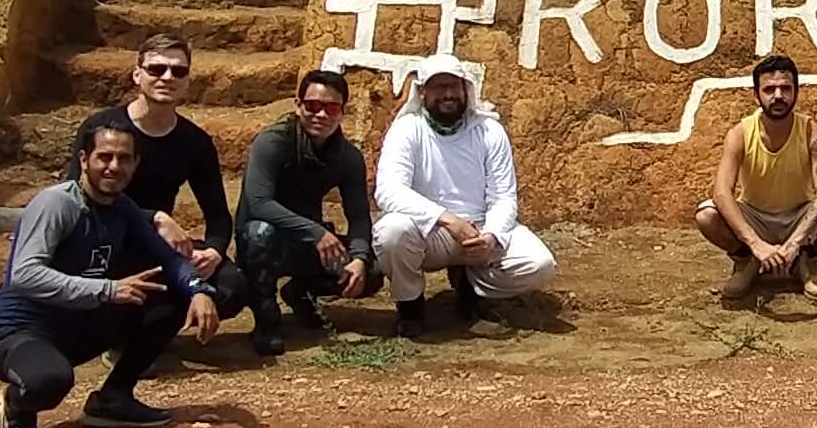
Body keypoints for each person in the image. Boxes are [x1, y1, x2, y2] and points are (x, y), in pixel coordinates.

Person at [0, 118, 221, 428]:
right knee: (49, 381)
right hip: (23, 330)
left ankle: (113, 399)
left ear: (136, 164)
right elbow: (24, 275)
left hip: (79, 324)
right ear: (84, 160)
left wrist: (199, 290)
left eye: (124, 159)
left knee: (169, 295)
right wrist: (108, 290)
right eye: (104, 157)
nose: (114, 167)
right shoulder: (57, 204)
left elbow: (167, 260)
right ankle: (17, 407)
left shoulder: (122, 208)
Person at [67, 31, 250, 331]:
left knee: (233, 286)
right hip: (103, 240)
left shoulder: (195, 142)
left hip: (154, 247)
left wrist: (214, 252)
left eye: (178, 71)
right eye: (156, 69)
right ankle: (124, 330)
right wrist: (153, 218)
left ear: (188, 81)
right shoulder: (102, 128)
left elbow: (218, 216)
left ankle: (148, 328)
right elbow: (76, 199)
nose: (167, 77)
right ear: (137, 75)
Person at [372, 56, 556, 336]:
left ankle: (470, 284)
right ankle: (410, 306)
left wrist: (491, 235)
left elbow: (504, 196)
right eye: (438, 87)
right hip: (431, 233)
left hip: (479, 232)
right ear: (422, 92)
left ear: (465, 89)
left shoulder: (489, 131)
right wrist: (446, 219)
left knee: (539, 265)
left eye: (453, 86)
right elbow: (388, 190)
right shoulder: (407, 130)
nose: (447, 94)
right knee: (391, 232)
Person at [235, 69, 381, 351]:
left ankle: (301, 292)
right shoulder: (273, 142)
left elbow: (359, 217)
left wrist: (360, 258)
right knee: (259, 234)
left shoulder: (347, 157)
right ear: (298, 105)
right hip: (267, 240)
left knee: (372, 271)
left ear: (342, 112)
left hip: (308, 243)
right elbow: (259, 203)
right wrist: (315, 232)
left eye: (331, 108)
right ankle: (266, 317)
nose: (321, 115)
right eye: (312, 106)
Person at [695, 54, 817, 302]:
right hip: (755, 215)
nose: (778, 96)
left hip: (798, 215)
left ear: (796, 92)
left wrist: (794, 244)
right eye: (769, 89)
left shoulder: (812, 132)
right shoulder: (740, 133)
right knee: (707, 215)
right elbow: (722, 192)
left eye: (785, 88)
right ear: (757, 95)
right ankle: (746, 261)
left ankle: (807, 264)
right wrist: (755, 244)